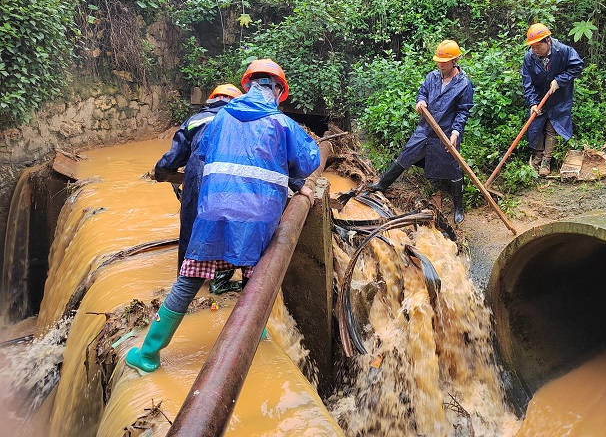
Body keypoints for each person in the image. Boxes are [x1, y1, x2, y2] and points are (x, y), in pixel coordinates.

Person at [126, 59, 321, 374]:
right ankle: (255, 333)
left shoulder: (217, 120)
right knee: (253, 277)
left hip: (213, 215)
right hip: (258, 221)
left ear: (247, 85)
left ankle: (148, 354)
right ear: (279, 92)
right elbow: (308, 162)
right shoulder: (282, 124)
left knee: (188, 281)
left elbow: (201, 155)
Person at [367, 39, 474, 224]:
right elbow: (422, 92)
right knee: (407, 154)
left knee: (452, 167)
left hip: (446, 132)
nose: (440, 64)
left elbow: (463, 112)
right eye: (438, 61)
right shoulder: (432, 77)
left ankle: (458, 207)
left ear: (455, 61)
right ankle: (382, 185)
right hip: (425, 128)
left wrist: (455, 133)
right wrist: (421, 101)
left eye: (444, 61)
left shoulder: (463, 84)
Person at [153, 83, 242, 277]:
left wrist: (160, 172)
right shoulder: (243, 121)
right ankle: (221, 279)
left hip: (198, 181)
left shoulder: (195, 120)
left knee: (190, 229)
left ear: (211, 100)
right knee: (229, 229)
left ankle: (186, 279)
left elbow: (174, 158)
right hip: (234, 185)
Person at [521, 23, 584, 177]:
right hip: (539, 97)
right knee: (535, 124)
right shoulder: (529, 57)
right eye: (532, 47)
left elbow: (577, 66)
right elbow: (527, 81)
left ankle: (546, 161)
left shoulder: (563, 51)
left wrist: (559, 80)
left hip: (559, 97)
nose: (535, 50)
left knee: (552, 126)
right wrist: (533, 103)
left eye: (538, 46)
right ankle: (538, 154)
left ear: (548, 41)